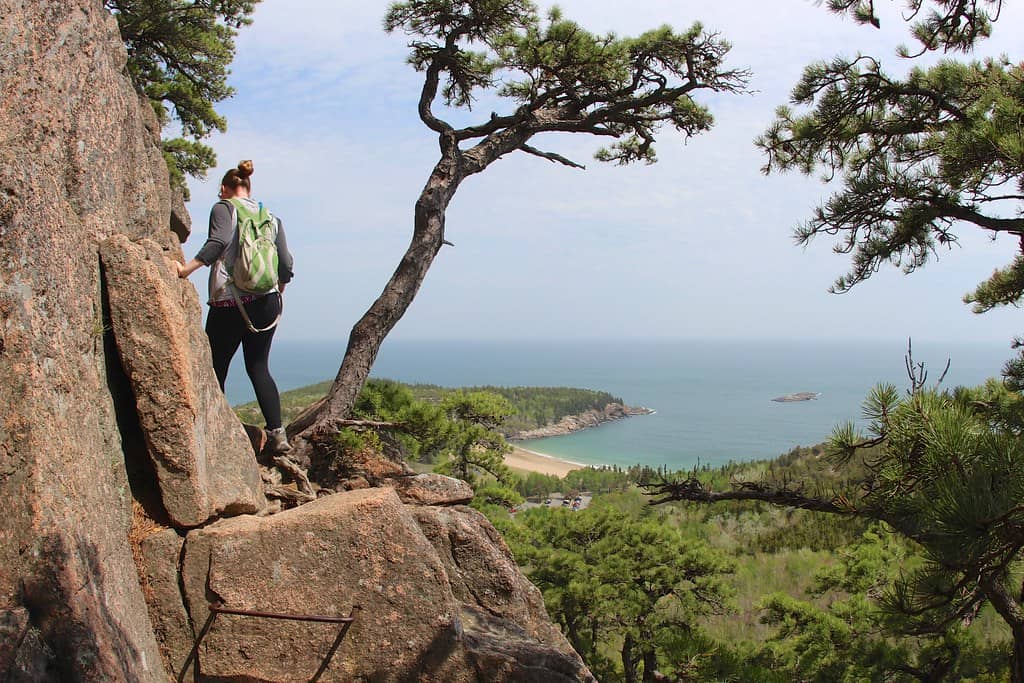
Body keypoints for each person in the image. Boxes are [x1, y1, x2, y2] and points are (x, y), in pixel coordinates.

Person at [176, 160, 295, 454]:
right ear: (248, 188)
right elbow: (286, 262)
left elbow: (217, 241)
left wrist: (186, 269)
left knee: (216, 365)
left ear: (224, 188)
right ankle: (278, 434)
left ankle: (214, 430)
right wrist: (280, 286)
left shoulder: (224, 208)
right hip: (267, 302)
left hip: (231, 302)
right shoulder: (271, 217)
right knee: (258, 366)